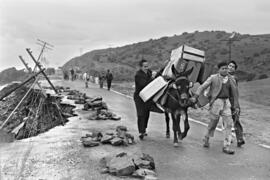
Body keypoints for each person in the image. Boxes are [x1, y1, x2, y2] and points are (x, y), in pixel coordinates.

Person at [192, 61, 240, 155]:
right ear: (219, 70)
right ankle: (206, 138)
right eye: (223, 68)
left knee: (229, 124)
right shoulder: (213, 78)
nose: (225, 70)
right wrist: (196, 96)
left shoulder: (231, 79)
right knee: (213, 123)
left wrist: (236, 106)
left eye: (226, 68)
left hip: (226, 103)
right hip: (216, 103)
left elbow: (235, 94)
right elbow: (202, 87)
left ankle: (226, 146)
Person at [134, 59, 155, 140]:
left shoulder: (149, 71)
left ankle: (144, 129)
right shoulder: (138, 75)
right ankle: (141, 132)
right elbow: (144, 84)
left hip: (147, 97)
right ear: (141, 67)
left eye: (147, 66)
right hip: (139, 97)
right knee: (140, 114)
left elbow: (156, 75)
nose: (147, 68)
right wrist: (152, 77)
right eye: (145, 67)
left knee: (146, 114)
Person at [228, 60, 245, 147]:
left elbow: (235, 92)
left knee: (236, 119)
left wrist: (236, 104)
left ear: (234, 69)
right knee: (225, 121)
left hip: (232, 101)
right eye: (229, 66)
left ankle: (240, 139)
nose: (230, 67)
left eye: (233, 67)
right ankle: (228, 137)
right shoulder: (221, 76)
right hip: (223, 101)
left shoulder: (234, 78)